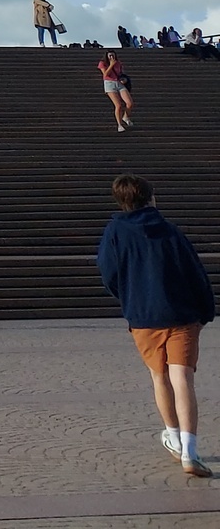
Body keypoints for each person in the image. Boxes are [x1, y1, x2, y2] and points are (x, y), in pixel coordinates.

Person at [99, 174, 216, 478]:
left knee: (159, 377)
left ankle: (173, 436)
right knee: (183, 380)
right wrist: (206, 310)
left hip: (143, 316)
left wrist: (128, 296)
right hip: (181, 314)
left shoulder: (115, 232)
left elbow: (108, 271)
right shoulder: (170, 231)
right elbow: (195, 271)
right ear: (151, 198)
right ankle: (190, 451)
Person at [101, 50, 135, 132]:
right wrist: (111, 65)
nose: (112, 57)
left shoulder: (118, 63)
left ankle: (125, 116)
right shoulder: (103, 63)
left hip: (119, 82)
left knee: (129, 103)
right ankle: (119, 125)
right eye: (110, 55)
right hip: (109, 83)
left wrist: (124, 79)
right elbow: (105, 74)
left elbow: (121, 73)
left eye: (113, 55)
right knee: (118, 105)